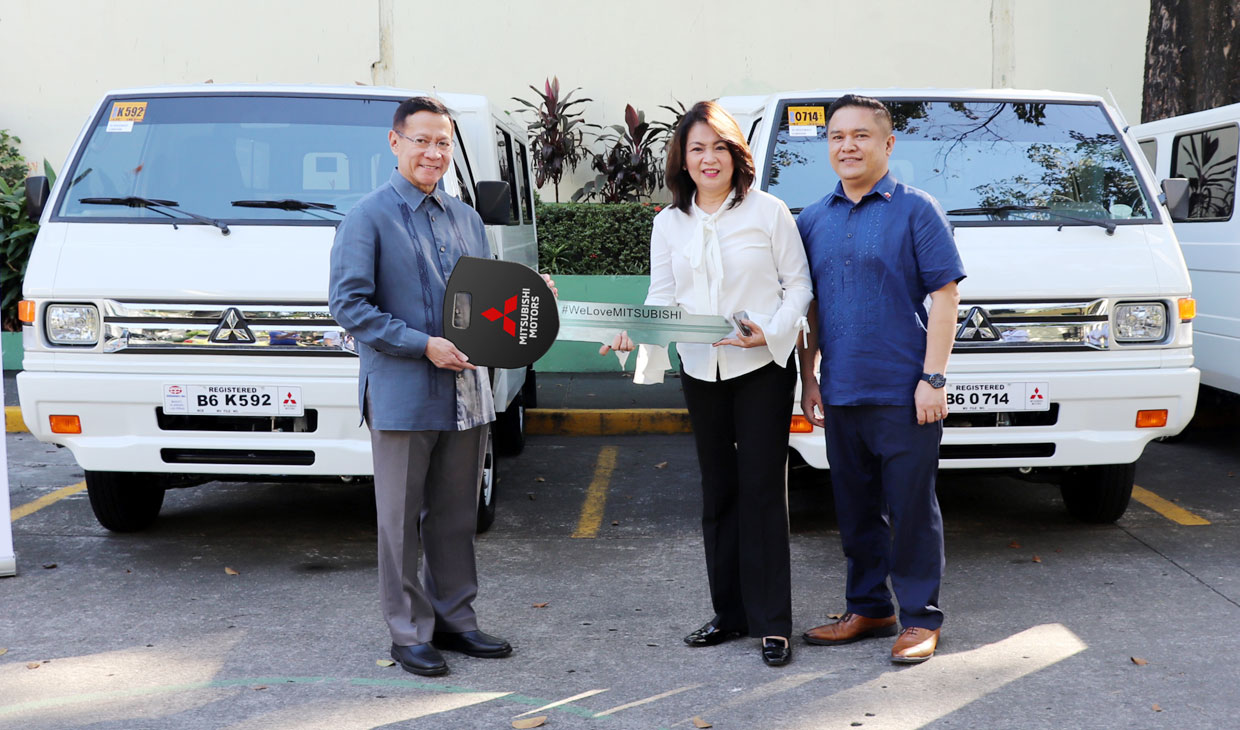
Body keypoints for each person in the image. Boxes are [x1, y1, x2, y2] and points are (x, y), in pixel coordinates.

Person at [330, 96, 553, 676]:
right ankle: (408, 632)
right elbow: (349, 305)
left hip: (467, 391)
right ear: (395, 142)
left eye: (443, 143)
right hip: (403, 391)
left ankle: (455, 620)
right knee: (400, 521)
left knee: (456, 515)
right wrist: (421, 344)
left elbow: (487, 300)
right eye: (422, 140)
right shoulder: (367, 217)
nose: (433, 153)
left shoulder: (466, 218)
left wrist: (534, 294)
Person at [605, 101, 813, 667]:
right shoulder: (668, 223)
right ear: (682, 159)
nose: (708, 158)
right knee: (718, 492)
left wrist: (771, 331)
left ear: (735, 153)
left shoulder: (769, 212)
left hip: (761, 368)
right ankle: (730, 613)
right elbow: (661, 298)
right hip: (701, 370)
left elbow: (798, 286)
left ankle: (773, 623)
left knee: (762, 491)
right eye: (697, 148)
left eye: (719, 146)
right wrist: (632, 334)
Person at [796, 94, 965, 664]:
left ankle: (919, 618)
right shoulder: (812, 219)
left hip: (903, 391)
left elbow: (946, 297)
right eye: (837, 136)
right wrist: (809, 378)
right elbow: (809, 307)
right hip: (841, 389)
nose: (847, 146)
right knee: (856, 509)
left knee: (912, 510)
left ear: (888, 144)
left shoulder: (917, 209)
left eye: (860, 135)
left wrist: (933, 378)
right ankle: (868, 608)